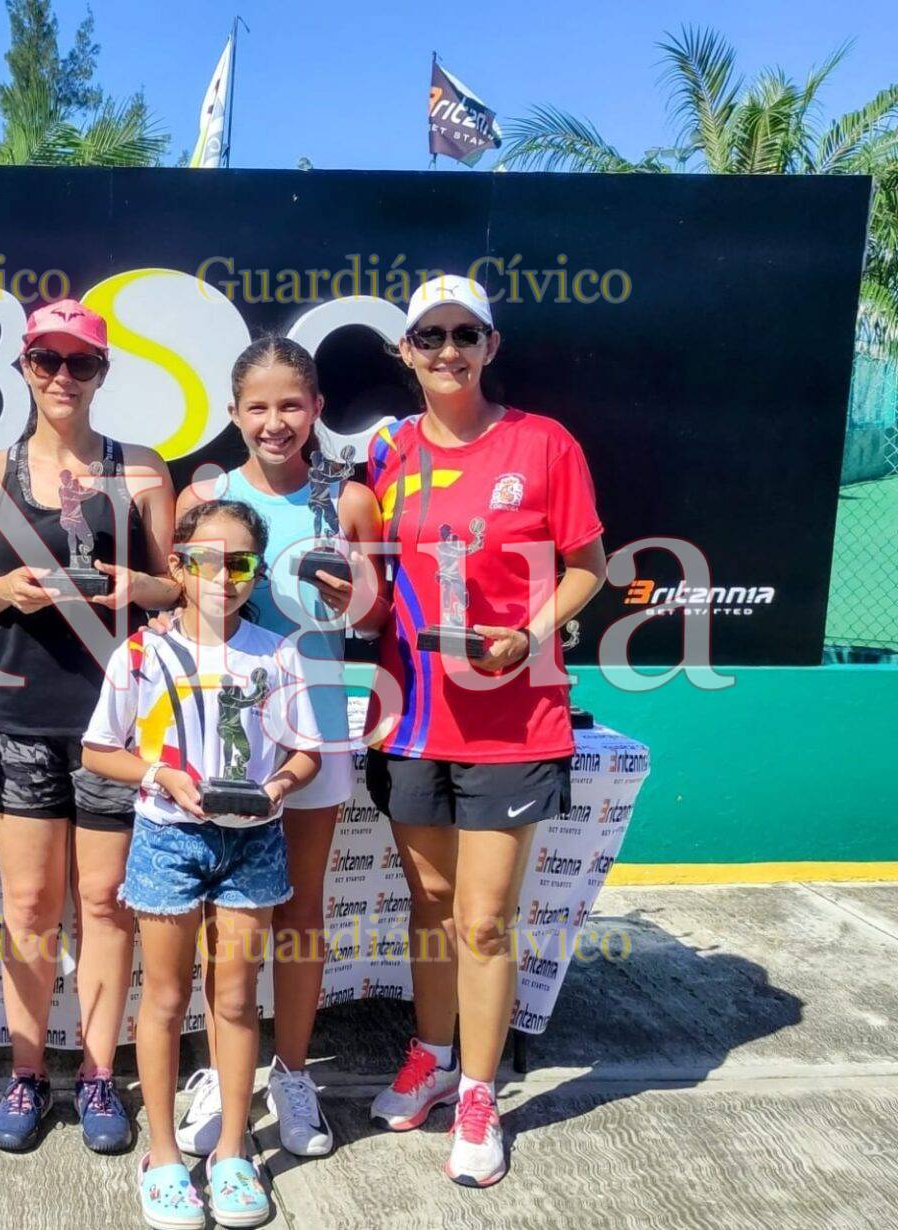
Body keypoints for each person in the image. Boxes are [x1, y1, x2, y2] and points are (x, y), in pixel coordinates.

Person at [364, 275, 606, 1187]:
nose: (449, 351)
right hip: (412, 714)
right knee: (430, 907)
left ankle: (478, 1090)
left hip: (514, 716)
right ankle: (430, 1055)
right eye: (430, 337)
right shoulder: (386, 454)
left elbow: (588, 565)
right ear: (407, 354)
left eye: (466, 334)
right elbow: (372, 578)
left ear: (491, 345)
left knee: (483, 919)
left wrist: (529, 634)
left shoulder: (542, 443)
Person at [0, 299, 180, 1153]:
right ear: (23, 370)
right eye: (46, 362)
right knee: (30, 906)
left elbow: (176, 588)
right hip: (18, 715)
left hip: (116, 723)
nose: (61, 378)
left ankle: (93, 1073)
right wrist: (4, 593)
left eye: (79, 363)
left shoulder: (142, 469)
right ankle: (25, 1072)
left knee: (103, 905)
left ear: (102, 374)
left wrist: (129, 588)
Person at [173, 337, 387, 1159]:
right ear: (232, 414)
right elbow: (185, 606)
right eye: (257, 407)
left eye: (290, 405)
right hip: (220, 731)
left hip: (316, 728)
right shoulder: (207, 495)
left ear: (318, 409)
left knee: (299, 910)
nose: (274, 422)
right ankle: (215, 1073)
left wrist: (360, 596)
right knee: (218, 918)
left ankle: (292, 1073)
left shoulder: (351, 501)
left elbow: (373, 620)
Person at [82, 499, 322, 1230]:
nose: (225, 576)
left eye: (242, 562)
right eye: (207, 560)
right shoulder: (140, 653)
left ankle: (231, 1151)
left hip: (253, 841)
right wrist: (161, 777)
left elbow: (307, 753)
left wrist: (276, 787)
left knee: (239, 997)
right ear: (180, 566)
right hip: (168, 841)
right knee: (162, 999)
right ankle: (161, 1155)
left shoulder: (277, 655)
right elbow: (99, 749)